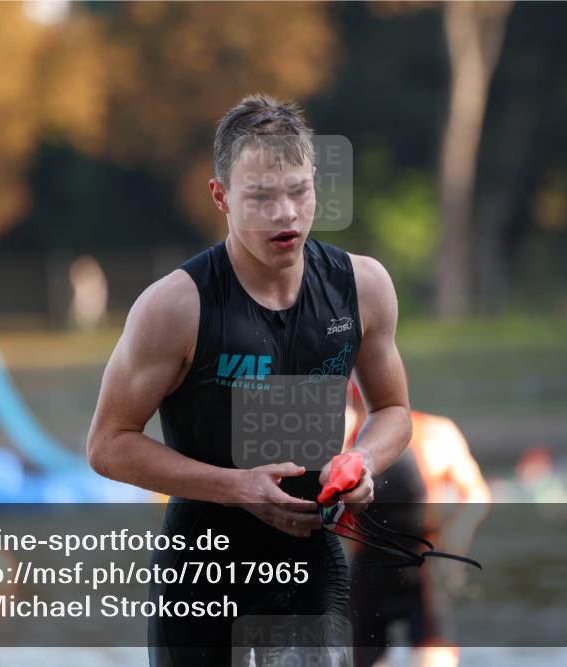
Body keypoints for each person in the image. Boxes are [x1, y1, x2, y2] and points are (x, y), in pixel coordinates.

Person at [87, 93, 412, 666]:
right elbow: (108, 445)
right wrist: (240, 488)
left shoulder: (361, 287)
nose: (285, 214)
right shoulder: (175, 307)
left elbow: (394, 412)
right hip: (201, 571)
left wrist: (361, 463)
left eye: (298, 192)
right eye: (261, 198)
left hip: (309, 563)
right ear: (222, 197)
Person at [344, 383, 491, 667]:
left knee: (435, 658)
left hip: (424, 569)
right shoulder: (343, 439)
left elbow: (475, 492)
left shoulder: (437, 433)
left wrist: (457, 532)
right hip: (368, 572)